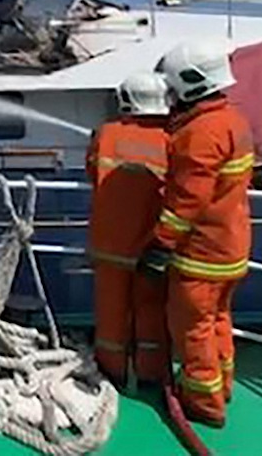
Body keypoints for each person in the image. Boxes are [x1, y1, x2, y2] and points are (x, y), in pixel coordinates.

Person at [140, 41, 253, 428]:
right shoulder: (233, 121)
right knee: (218, 320)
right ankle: (223, 386)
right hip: (231, 248)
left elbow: (188, 199)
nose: (169, 95)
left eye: (172, 86)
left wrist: (160, 244)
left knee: (193, 329)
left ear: (191, 84)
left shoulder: (200, 133)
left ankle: (204, 405)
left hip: (201, 254)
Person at [87, 71, 171, 387]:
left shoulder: (105, 134)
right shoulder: (173, 139)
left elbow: (91, 171)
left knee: (111, 317)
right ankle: (151, 375)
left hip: (109, 245)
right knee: (150, 314)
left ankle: (112, 374)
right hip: (153, 244)